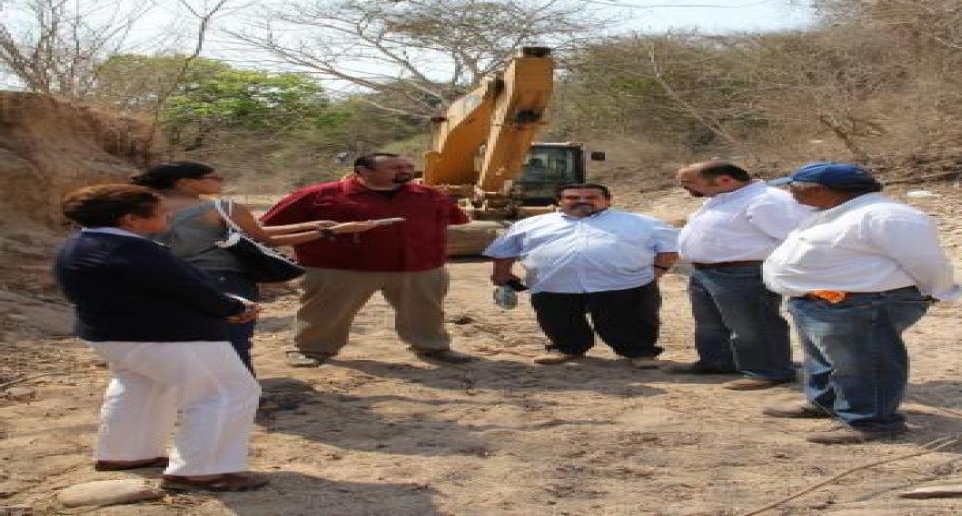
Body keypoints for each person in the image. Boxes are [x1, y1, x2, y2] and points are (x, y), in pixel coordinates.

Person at [53, 184, 268, 492]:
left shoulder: (78, 243)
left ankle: (126, 453)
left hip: (113, 335)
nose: (168, 214)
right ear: (131, 219)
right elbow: (186, 287)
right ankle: (203, 471)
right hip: (167, 336)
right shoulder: (135, 249)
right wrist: (232, 307)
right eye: (159, 210)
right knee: (226, 392)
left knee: (143, 387)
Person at [762, 163, 961, 444]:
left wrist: (937, 291)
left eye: (792, 187)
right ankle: (825, 402)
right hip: (823, 302)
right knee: (825, 359)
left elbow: (927, 262)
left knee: (865, 362)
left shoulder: (887, 216)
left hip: (862, 303)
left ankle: (871, 420)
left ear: (820, 190)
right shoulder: (832, 213)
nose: (789, 193)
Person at [131, 162, 375, 374]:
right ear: (185, 182)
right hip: (222, 280)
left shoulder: (138, 208)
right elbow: (263, 239)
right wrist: (332, 231)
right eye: (213, 177)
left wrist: (311, 224)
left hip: (164, 278)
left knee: (181, 336)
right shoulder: (221, 208)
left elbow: (251, 232)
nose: (220, 180)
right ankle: (238, 394)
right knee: (231, 338)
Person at [260, 153, 473, 366]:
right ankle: (312, 350)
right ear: (362, 171)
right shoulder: (317, 195)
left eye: (407, 166)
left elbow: (456, 219)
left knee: (425, 311)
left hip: (419, 268)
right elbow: (266, 226)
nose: (405, 171)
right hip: (339, 269)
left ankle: (432, 348)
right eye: (394, 167)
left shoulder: (430, 195)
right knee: (325, 312)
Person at [484, 183, 679, 368]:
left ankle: (640, 353)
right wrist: (502, 273)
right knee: (558, 319)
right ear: (559, 201)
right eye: (573, 197)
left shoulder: (642, 223)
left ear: (608, 200)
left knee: (631, 320)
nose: (582, 201)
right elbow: (504, 250)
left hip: (624, 283)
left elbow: (670, 248)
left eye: (591, 197)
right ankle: (566, 348)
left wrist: (659, 270)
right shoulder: (529, 224)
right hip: (554, 284)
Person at [673, 161, 810, 390]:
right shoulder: (721, 197)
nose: (685, 188)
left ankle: (769, 371)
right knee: (710, 324)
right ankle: (719, 362)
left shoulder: (768, 200)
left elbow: (794, 238)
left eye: (689, 183)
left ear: (725, 179)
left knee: (753, 324)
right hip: (705, 271)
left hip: (743, 273)